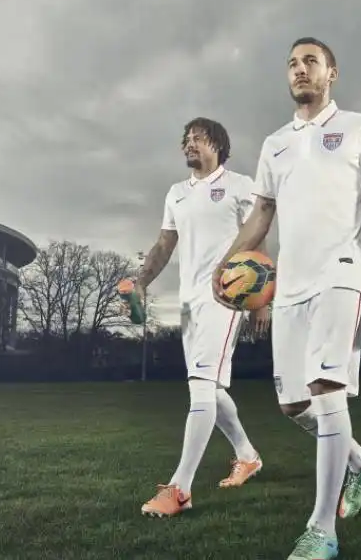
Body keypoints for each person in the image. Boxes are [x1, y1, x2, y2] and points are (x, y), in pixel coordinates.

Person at [212, 37, 361, 559]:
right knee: (293, 405)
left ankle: (321, 530)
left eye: (311, 61)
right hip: (289, 286)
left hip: (341, 274)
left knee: (327, 390)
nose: (300, 70)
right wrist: (228, 267)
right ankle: (359, 461)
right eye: (292, 64)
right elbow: (261, 214)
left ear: (332, 73)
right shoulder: (275, 143)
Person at [134, 117, 270, 518]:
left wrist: (263, 298)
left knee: (200, 386)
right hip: (190, 302)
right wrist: (142, 280)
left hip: (226, 297)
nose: (189, 144)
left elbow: (259, 236)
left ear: (218, 144)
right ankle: (248, 455)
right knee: (209, 388)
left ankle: (180, 489)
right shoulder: (176, 193)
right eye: (186, 140)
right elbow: (163, 244)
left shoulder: (241, 185)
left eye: (198, 138)